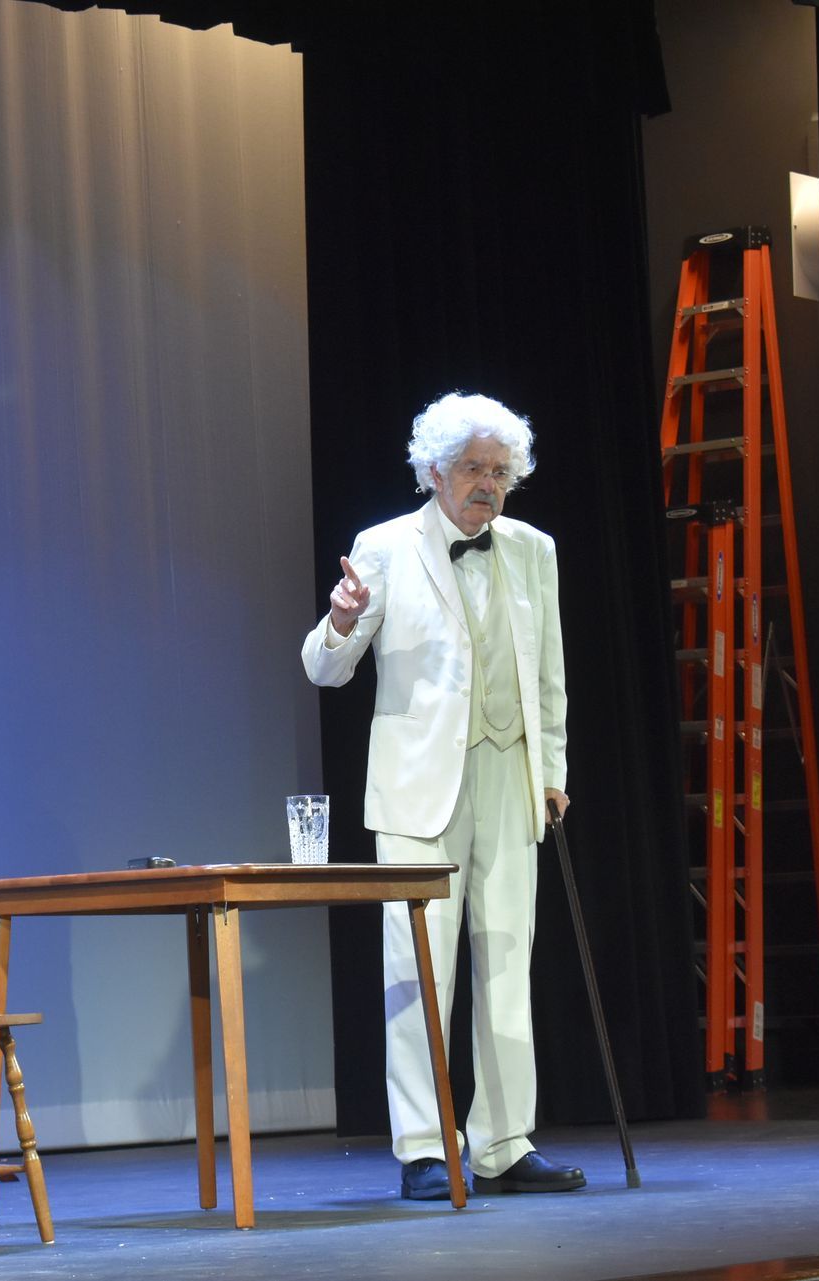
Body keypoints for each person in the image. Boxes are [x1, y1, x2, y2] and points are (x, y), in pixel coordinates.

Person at [301, 391, 583, 1200]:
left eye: (500, 470)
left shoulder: (533, 550)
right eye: (472, 468)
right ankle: (427, 1146)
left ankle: (503, 1141)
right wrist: (341, 618)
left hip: (510, 778)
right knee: (420, 966)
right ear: (433, 471)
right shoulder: (385, 547)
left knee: (507, 960)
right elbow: (324, 667)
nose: (488, 483)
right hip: (419, 788)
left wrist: (553, 772)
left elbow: (550, 675)